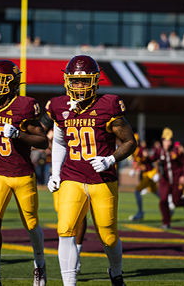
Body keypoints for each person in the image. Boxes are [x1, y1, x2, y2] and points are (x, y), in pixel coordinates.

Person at [46, 55, 136, 286]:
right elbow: (58, 141)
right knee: (65, 229)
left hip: (102, 179)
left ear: (95, 81)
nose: (79, 86)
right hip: (72, 177)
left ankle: (116, 273)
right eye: (75, 82)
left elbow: (129, 141)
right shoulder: (59, 105)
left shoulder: (108, 104)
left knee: (108, 236)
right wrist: (55, 172)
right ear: (67, 81)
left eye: (84, 81)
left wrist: (110, 160)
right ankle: (69, 283)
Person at [0, 59, 48, 286]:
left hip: (23, 174)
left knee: (31, 224)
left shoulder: (24, 105)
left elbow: (43, 141)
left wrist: (19, 134)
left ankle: (39, 264)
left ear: (13, 82)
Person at [40, 112, 87, 274]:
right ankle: (72, 255)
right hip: (59, 172)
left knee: (80, 216)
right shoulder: (55, 124)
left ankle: (77, 255)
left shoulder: (78, 121)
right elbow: (43, 139)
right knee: (63, 216)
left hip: (78, 172)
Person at [151, 127, 184, 229]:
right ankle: (166, 222)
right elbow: (151, 159)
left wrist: (183, 176)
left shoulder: (177, 151)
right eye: (166, 140)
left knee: (176, 202)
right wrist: (145, 157)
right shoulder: (159, 151)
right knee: (163, 200)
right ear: (162, 140)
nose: (168, 143)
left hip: (176, 180)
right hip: (164, 180)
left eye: (170, 140)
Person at [128, 135, 160, 221]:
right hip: (147, 174)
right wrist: (135, 170)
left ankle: (140, 212)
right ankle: (168, 203)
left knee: (137, 191)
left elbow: (154, 160)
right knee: (155, 191)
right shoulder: (135, 150)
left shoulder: (141, 149)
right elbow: (139, 162)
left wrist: (157, 173)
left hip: (150, 174)